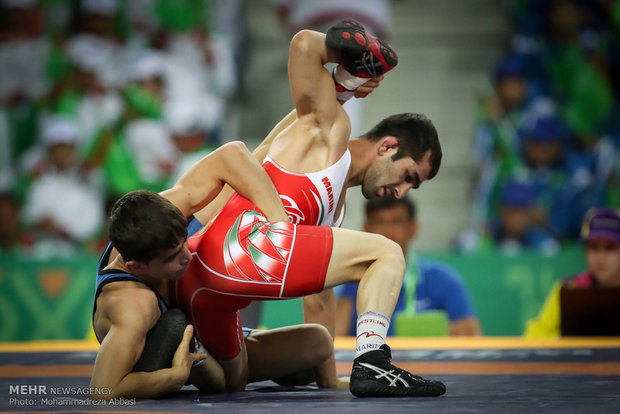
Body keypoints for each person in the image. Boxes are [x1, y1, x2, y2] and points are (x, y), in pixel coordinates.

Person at [172, 21, 446, 397]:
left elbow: (318, 298)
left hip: (208, 281)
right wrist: (352, 65)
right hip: (243, 249)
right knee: (387, 252)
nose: (400, 193)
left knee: (308, 345)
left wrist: (330, 379)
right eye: (408, 176)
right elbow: (304, 45)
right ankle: (373, 362)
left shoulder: (334, 200)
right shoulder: (331, 130)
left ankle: (189, 360)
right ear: (386, 146)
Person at [90, 142, 332, 399]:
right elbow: (102, 391)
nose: (186, 256)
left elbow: (233, 154)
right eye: (172, 257)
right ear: (135, 267)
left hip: (193, 315)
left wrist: (279, 223)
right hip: (166, 348)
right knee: (187, 339)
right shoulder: (134, 304)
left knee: (318, 341)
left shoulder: (158, 215)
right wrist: (173, 377)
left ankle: (259, 363)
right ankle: (209, 361)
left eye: (184, 241)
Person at [335, 196, 482, 337]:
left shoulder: (443, 279)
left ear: (413, 228)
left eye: (397, 221)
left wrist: (432, 332)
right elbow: (337, 341)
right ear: (366, 229)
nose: (388, 230)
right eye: (379, 222)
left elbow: (472, 336)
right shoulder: (353, 282)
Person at [524, 207, 620, 338]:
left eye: (609, 248)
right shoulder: (568, 288)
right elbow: (534, 335)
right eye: (593, 247)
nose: (600, 256)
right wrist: (568, 339)